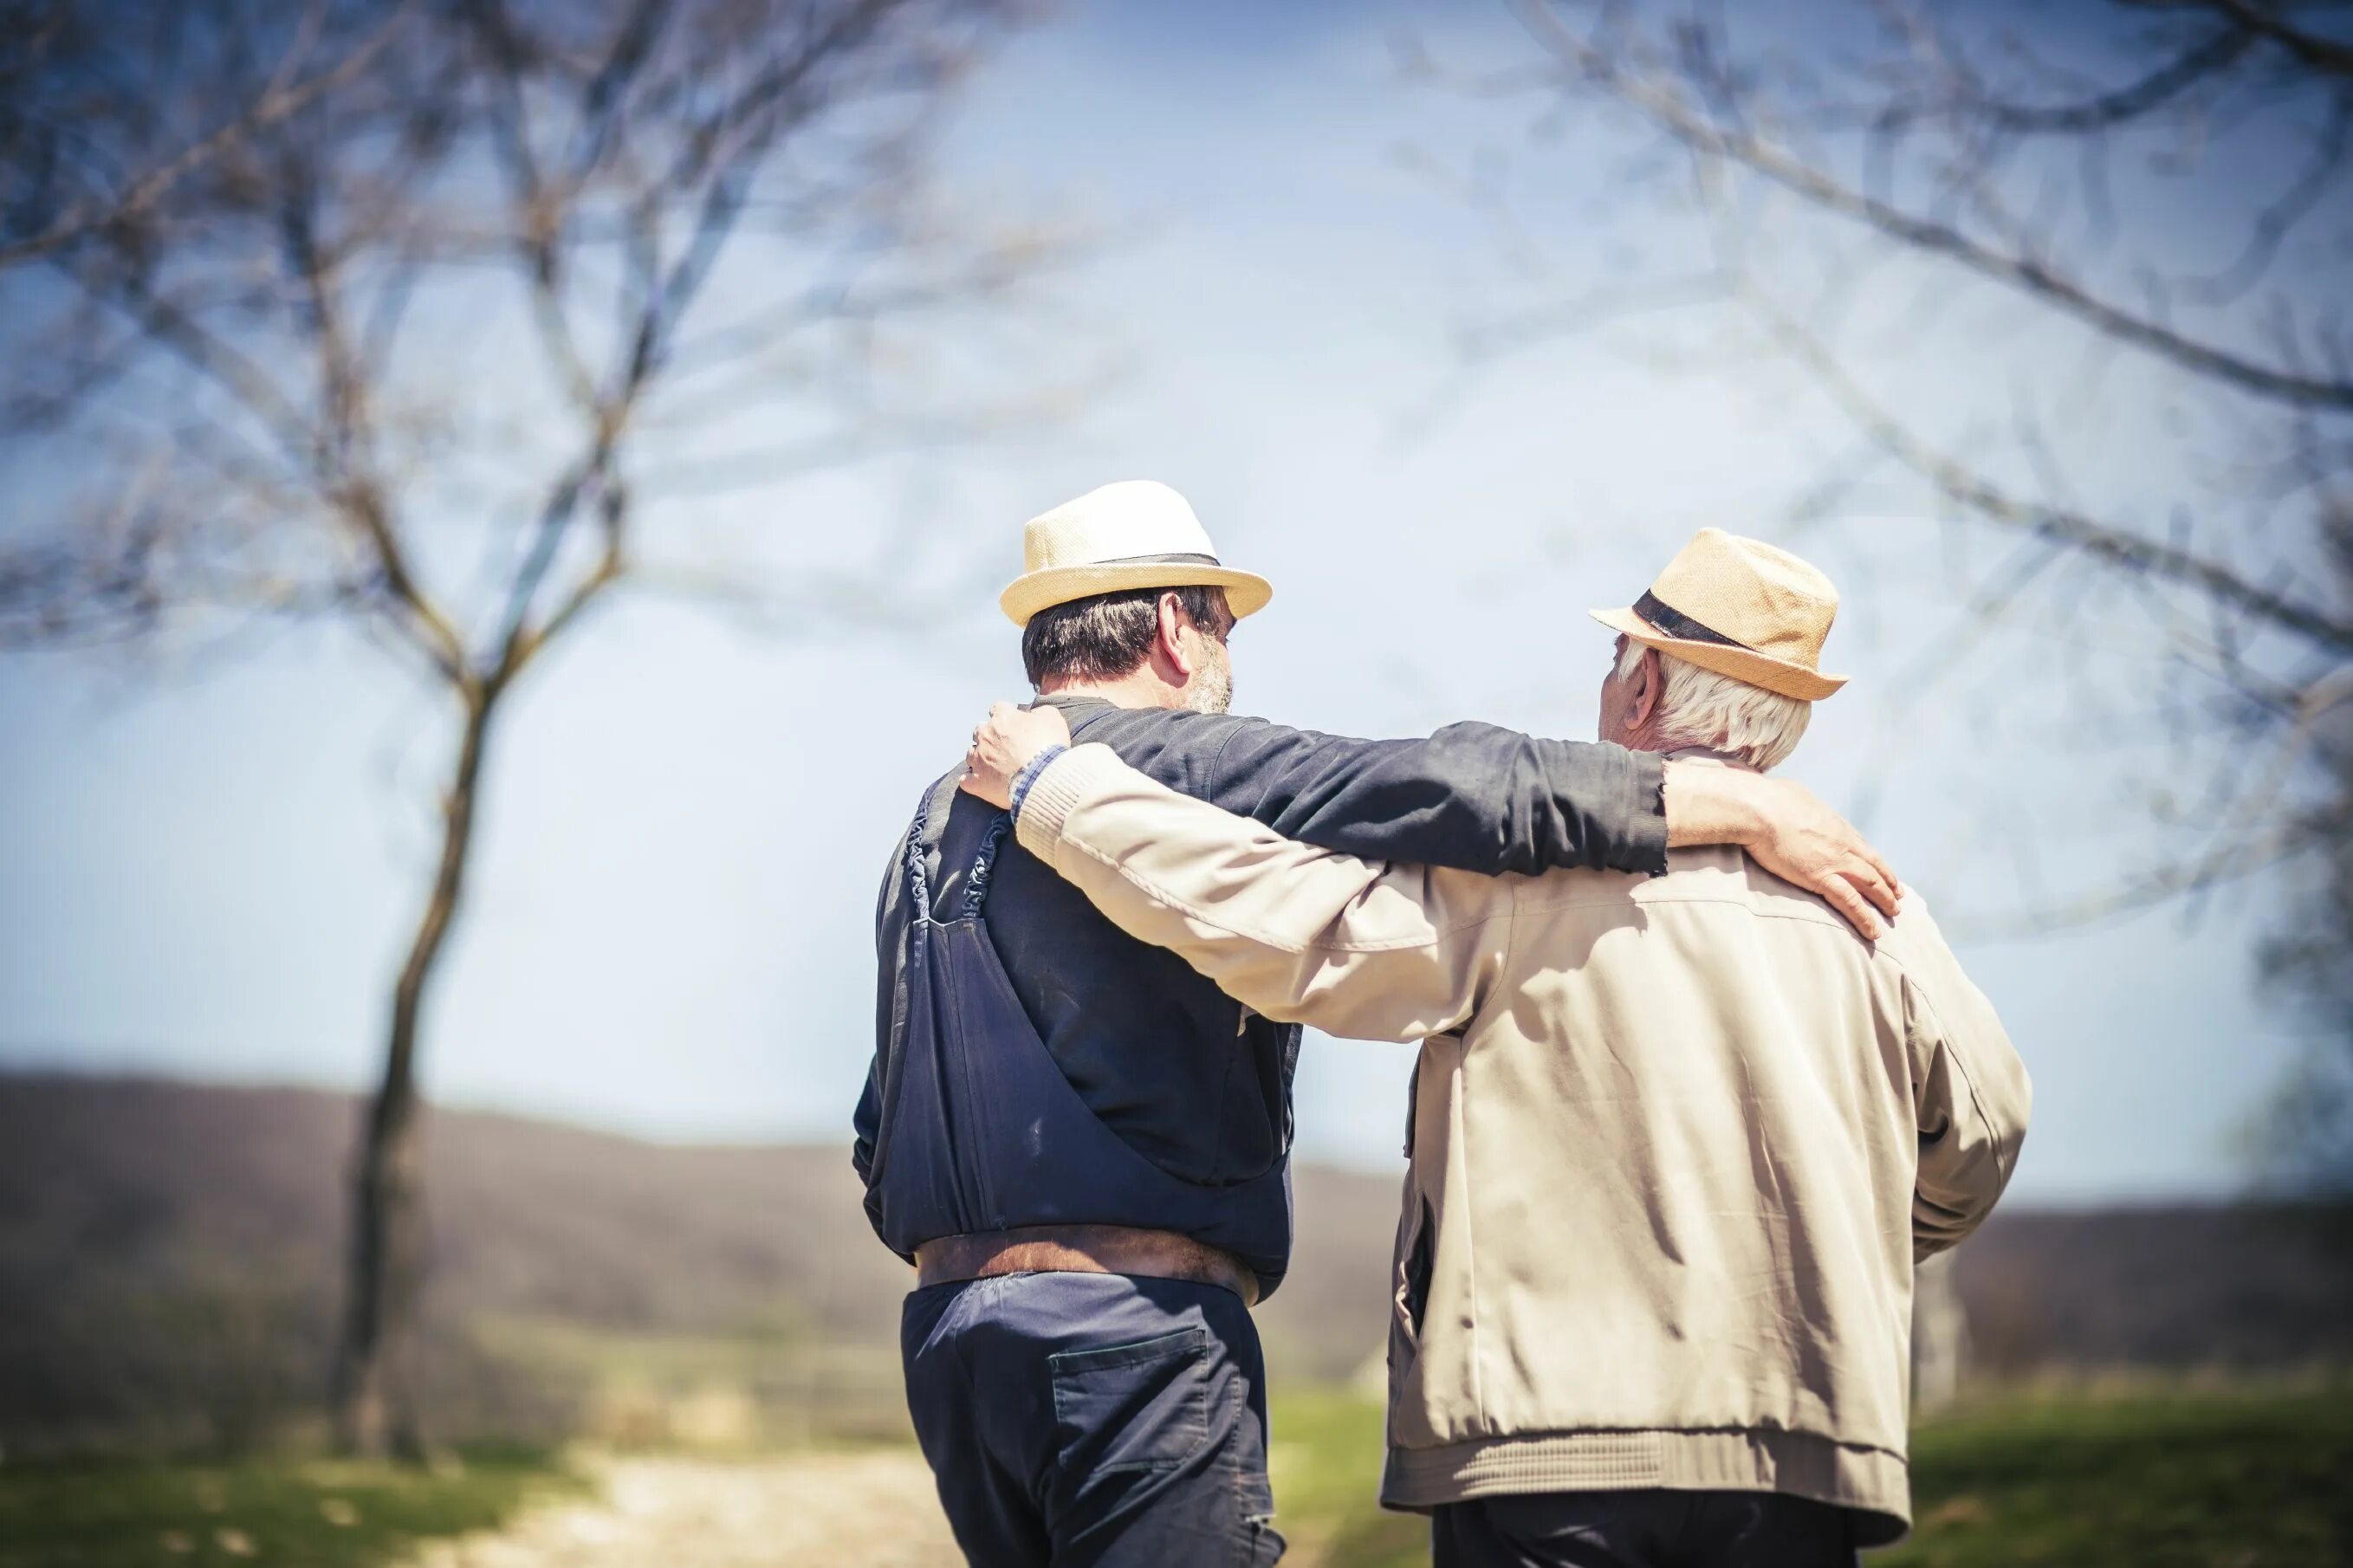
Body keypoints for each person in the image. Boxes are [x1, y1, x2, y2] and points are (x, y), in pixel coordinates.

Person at [859, 485, 1902, 1568]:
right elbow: (1452, 784)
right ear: (1176, 624)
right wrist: (1733, 805)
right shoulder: (1173, 760)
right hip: (1132, 1330)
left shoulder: (934, 821)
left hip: (951, 1346)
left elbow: (876, 1114)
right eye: (1223, 624)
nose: (1228, 658)